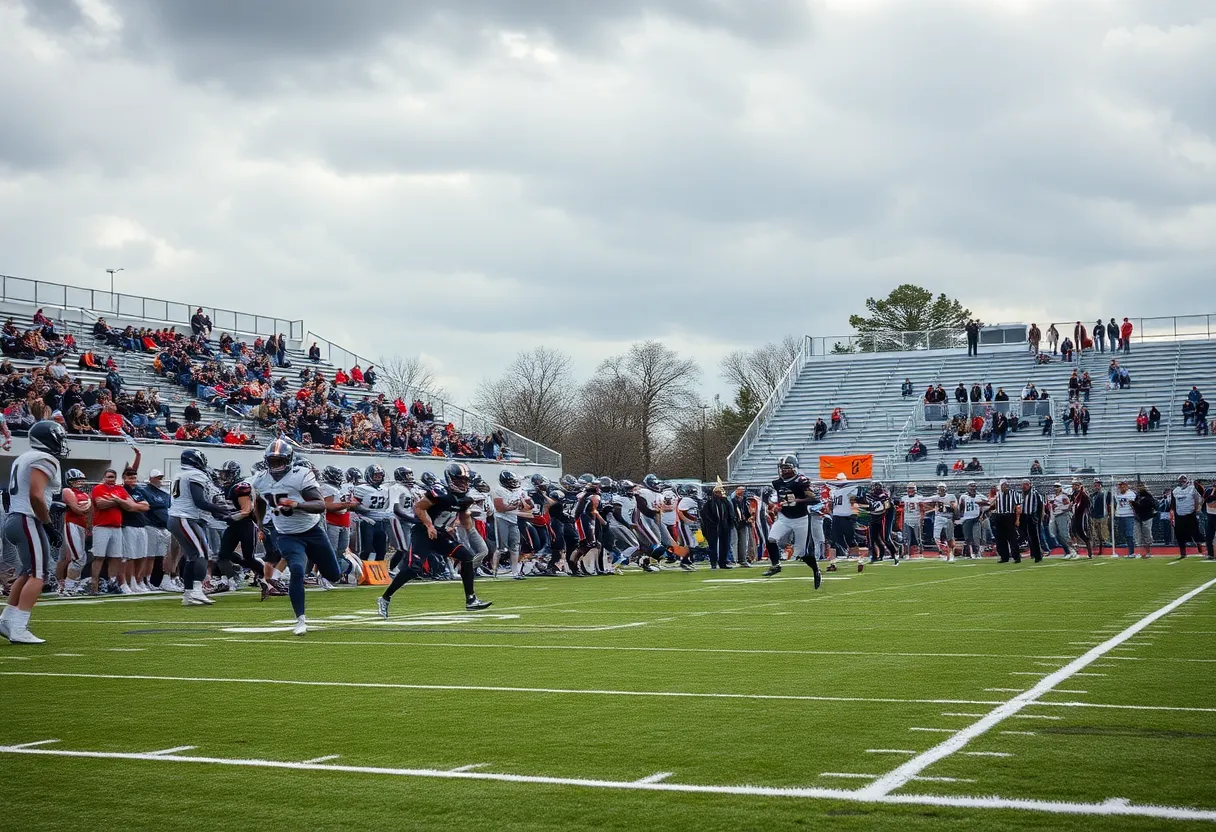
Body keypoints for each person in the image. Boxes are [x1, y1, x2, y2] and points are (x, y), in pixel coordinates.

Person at [251, 440, 348, 633]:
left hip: (312, 531)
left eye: (280, 461)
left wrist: (297, 505)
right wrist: (260, 524)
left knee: (334, 575)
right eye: (272, 461)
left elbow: (320, 505)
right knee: (296, 568)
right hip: (287, 534)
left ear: (289, 460)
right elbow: (259, 502)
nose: (276, 466)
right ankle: (300, 620)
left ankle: (322, 562)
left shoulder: (301, 475)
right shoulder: (260, 479)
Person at [377, 462, 493, 618]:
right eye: (459, 480)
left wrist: (471, 532)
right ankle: (385, 598)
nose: (463, 483)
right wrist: (429, 525)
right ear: (450, 478)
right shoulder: (440, 492)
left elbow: (463, 516)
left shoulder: (465, 498)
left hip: (440, 534)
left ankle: (471, 599)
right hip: (423, 532)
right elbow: (419, 507)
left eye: (465, 480)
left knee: (467, 557)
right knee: (413, 568)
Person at [0, 421, 69, 643]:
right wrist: (48, 525)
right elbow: (36, 494)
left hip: (16, 518)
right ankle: (19, 627)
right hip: (27, 519)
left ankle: (7, 620)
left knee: (27, 572)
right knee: (39, 575)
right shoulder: (45, 458)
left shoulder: (25, 457)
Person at [169, 449, 232, 607]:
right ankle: (197, 590)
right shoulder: (194, 475)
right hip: (185, 518)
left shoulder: (181, 473)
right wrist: (221, 509)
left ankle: (188, 594)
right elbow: (199, 502)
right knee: (202, 553)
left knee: (192, 556)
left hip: (179, 517)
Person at [761, 455, 822, 586]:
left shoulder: (801, 481)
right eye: (782, 468)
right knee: (771, 539)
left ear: (794, 468)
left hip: (801, 519)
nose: (784, 470)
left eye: (787, 467)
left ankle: (816, 570)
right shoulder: (777, 483)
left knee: (802, 554)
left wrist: (797, 500)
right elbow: (778, 499)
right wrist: (776, 505)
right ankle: (775, 565)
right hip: (784, 517)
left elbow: (815, 499)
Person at [56, 468, 92, 595]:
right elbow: (77, 509)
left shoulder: (85, 495)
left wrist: (88, 523)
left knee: (77, 557)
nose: (79, 482)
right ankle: (69, 586)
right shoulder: (67, 491)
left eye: (81, 480)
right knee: (78, 558)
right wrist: (86, 507)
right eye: (76, 480)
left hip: (82, 526)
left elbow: (88, 512)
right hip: (72, 525)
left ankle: (69, 584)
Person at [492, 470, 532, 579]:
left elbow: (530, 506)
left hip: (513, 520)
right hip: (502, 519)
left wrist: (527, 501)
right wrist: (516, 506)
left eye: (513, 481)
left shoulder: (519, 490)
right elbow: (500, 508)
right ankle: (494, 571)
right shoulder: (498, 490)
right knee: (501, 548)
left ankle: (515, 572)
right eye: (510, 481)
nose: (513, 483)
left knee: (515, 547)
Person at [827, 472, 863, 571]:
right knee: (833, 541)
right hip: (836, 517)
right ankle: (832, 563)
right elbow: (832, 505)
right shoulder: (833, 490)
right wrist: (830, 508)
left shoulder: (850, 488)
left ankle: (859, 561)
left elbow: (853, 502)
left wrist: (854, 514)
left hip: (846, 517)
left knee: (851, 540)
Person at [700, 483, 732, 570]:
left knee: (724, 544)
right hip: (713, 526)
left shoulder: (724, 502)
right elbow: (705, 515)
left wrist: (728, 523)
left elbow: (729, 513)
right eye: (719, 492)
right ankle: (713, 562)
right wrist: (712, 523)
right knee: (713, 545)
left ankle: (723, 562)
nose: (721, 493)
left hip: (724, 525)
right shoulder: (709, 503)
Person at [1170, 475, 1202, 558]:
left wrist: (1196, 509)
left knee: (1195, 532)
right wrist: (1172, 515)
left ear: (1187, 480)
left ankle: (1198, 543)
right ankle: (1183, 551)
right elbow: (1173, 504)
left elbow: (1197, 499)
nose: (1182, 480)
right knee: (1179, 534)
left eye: (1184, 478)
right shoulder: (1175, 491)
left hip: (1190, 514)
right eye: (1181, 479)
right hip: (1179, 515)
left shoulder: (1192, 489)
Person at [991, 480, 1022, 563]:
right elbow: (991, 504)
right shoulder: (997, 494)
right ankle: (1004, 557)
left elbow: (1018, 507)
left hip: (1009, 515)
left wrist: (1017, 519)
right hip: (999, 515)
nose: (1004, 487)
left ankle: (1016, 556)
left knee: (1012, 537)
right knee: (1000, 538)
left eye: (1006, 485)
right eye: (1003, 485)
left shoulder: (1014, 493)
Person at [928, 483, 957, 561]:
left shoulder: (951, 496)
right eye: (939, 488)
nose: (941, 490)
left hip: (948, 517)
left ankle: (951, 553)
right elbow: (927, 503)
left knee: (950, 537)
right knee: (936, 536)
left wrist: (954, 516)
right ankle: (943, 551)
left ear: (946, 489)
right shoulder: (934, 497)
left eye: (943, 488)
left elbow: (955, 508)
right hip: (939, 518)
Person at [957, 481, 987, 558]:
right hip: (966, 519)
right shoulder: (963, 496)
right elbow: (960, 508)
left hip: (976, 519)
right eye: (971, 486)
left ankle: (977, 552)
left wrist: (982, 514)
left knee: (977, 536)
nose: (972, 488)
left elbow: (988, 505)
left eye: (974, 486)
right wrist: (960, 517)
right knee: (968, 538)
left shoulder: (981, 496)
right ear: (968, 487)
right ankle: (970, 553)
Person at [1019, 479, 1045, 563]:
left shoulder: (1035, 493)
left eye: (1026, 485)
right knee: (1027, 536)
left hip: (1032, 516)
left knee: (1035, 537)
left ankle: (1038, 556)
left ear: (1029, 485)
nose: (1024, 486)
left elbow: (1041, 505)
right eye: (1023, 485)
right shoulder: (1021, 494)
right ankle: (1033, 553)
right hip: (1024, 516)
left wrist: (1039, 517)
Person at [1131, 481, 1156, 559]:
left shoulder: (1148, 495)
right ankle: (1140, 552)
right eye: (1138, 486)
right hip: (1138, 518)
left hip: (1147, 517)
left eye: (1141, 486)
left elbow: (1148, 505)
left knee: (1147, 534)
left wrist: (1135, 504)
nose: (1139, 488)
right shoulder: (1137, 496)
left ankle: (1148, 552)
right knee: (1138, 535)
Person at [1068, 480, 1093, 558]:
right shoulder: (1074, 494)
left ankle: (1089, 551)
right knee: (1072, 530)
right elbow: (1072, 503)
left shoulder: (1083, 494)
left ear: (1078, 486)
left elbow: (1088, 504)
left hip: (1081, 515)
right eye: (1073, 485)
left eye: (1075, 485)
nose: (1073, 487)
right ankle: (1075, 547)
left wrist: (1085, 512)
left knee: (1082, 532)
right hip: (1075, 514)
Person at [730, 486, 753, 567]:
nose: (743, 491)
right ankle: (734, 560)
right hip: (734, 522)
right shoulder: (732, 500)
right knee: (734, 541)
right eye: (742, 490)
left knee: (743, 542)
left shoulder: (745, 500)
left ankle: (742, 560)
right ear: (737, 491)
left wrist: (748, 517)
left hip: (743, 522)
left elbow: (746, 510)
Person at [1047, 482, 1073, 557]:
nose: (1056, 488)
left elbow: (1068, 506)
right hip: (1056, 516)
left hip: (1062, 516)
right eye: (1055, 487)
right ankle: (1067, 551)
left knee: (1064, 535)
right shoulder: (1054, 497)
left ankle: (1072, 551)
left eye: (1057, 487)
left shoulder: (1063, 496)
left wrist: (1058, 507)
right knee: (1057, 535)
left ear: (1061, 488)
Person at [900, 483, 923, 559]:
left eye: (912, 488)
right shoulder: (903, 498)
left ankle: (920, 552)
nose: (910, 490)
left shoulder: (919, 498)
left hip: (916, 519)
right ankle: (906, 553)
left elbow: (922, 509)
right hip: (907, 519)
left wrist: (921, 518)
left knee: (918, 538)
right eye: (909, 488)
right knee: (906, 538)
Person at [1089, 479, 1111, 556]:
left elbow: (1109, 504)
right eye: (1095, 485)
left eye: (1098, 485)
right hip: (1094, 516)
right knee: (1095, 533)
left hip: (1103, 516)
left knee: (1102, 532)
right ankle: (1097, 547)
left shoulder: (1106, 493)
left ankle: (1104, 547)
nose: (1096, 487)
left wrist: (1109, 514)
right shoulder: (1092, 495)